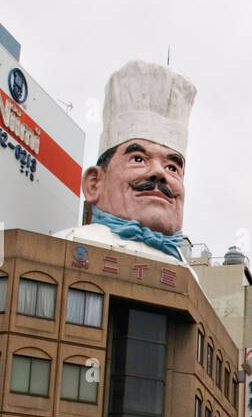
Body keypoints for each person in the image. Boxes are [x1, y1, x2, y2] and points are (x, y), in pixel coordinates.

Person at [57, 60, 197, 264]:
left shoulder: (186, 274)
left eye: (172, 168)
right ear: (95, 183)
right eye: (138, 159)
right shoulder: (69, 248)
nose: (159, 173)